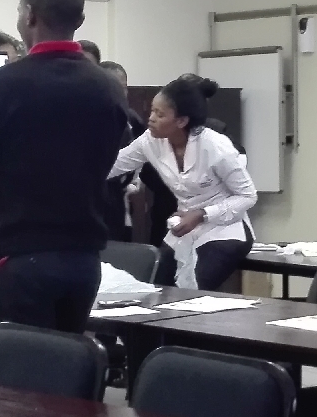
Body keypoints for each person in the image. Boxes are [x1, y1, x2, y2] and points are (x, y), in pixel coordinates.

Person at [0, 0, 129, 333]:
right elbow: (108, 161)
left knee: (18, 384)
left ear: (29, 14)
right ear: (80, 20)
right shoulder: (108, 88)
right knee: (67, 377)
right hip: (84, 261)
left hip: (21, 258)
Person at [109, 74, 256, 290]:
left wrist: (201, 214)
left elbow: (248, 196)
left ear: (181, 121)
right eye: (152, 110)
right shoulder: (150, 141)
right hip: (184, 229)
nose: (150, 118)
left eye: (160, 114)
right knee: (157, 290)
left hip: (224, 229)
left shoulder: (216, 147)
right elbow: (113, 165)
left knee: (190, 292)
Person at [98, 60, 147, 242]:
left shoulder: (130, 119)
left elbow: (140, 159)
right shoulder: (84, 119)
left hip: (117, 200)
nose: (122, 93)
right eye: (116, 87)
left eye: (124, 88)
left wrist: (135, 181)